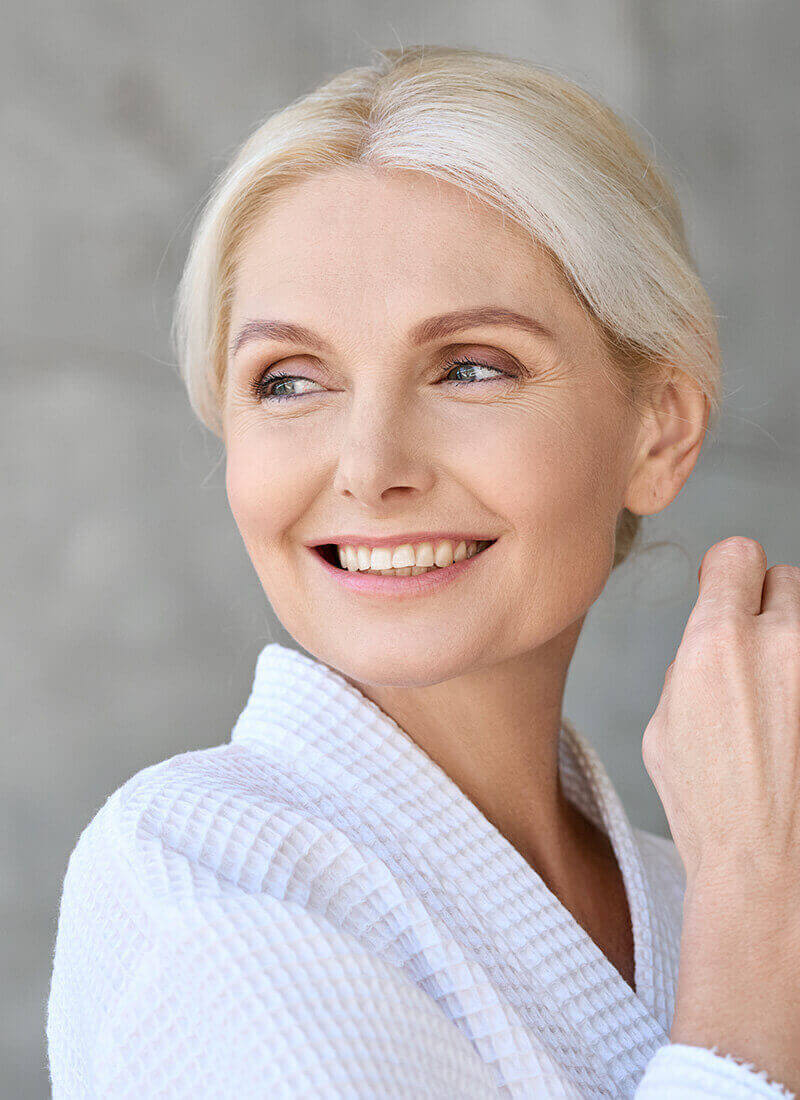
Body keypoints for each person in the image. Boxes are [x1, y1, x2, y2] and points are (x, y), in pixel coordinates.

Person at [46, 44, 800, 1098]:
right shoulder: (193, 880)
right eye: (290, 380)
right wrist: (759, 922)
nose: (368, 467)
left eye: (469, 366)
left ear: (655, 430)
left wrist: (749, 894)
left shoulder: (699, 890)